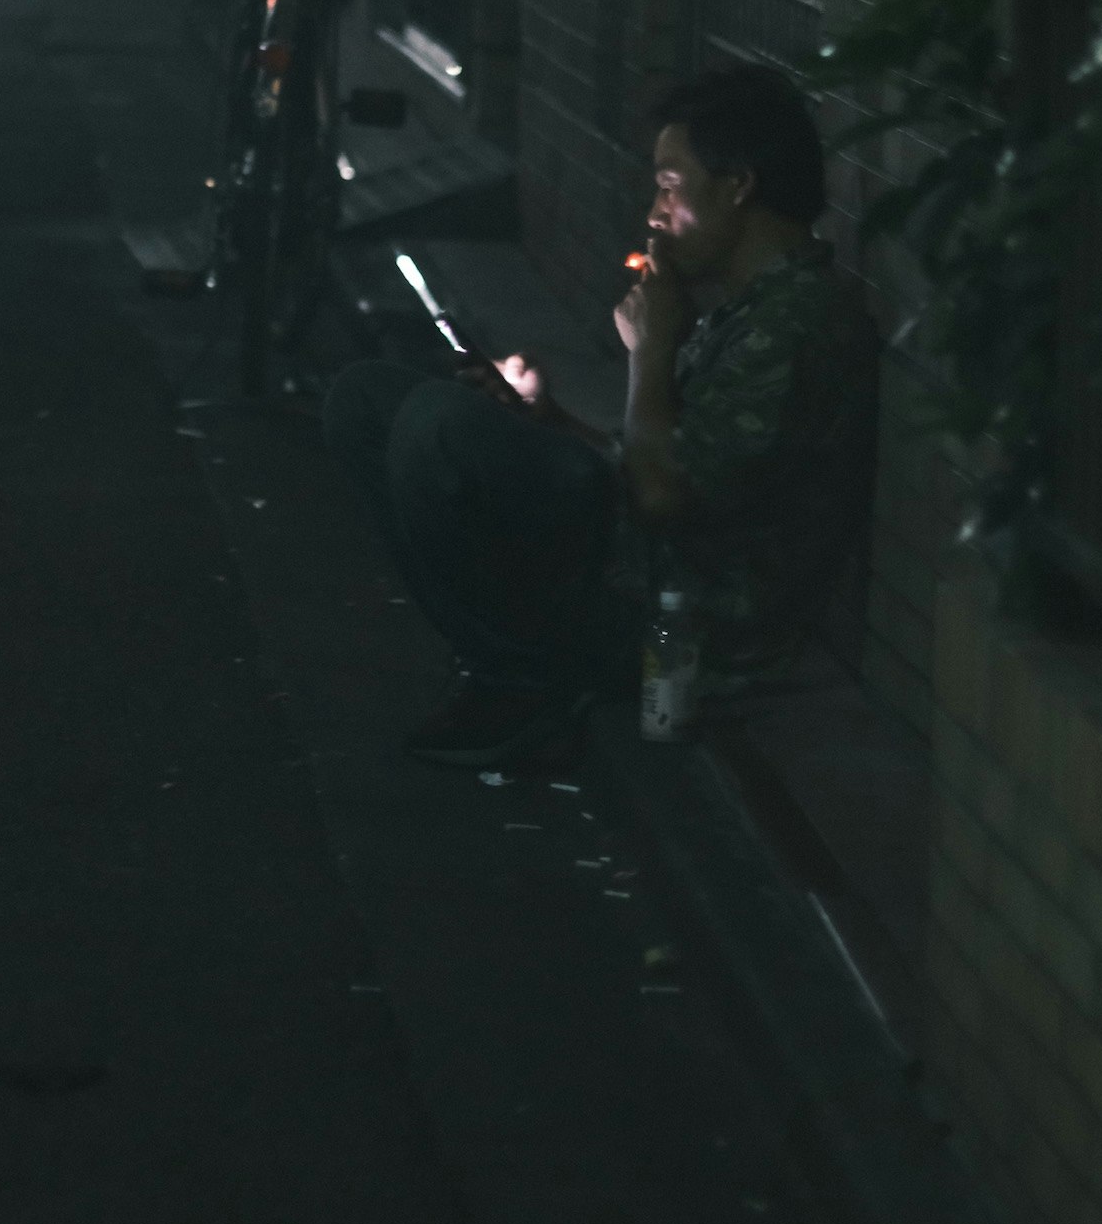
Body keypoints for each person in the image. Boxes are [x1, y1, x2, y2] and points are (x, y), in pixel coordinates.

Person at [323, 65, 881, 768]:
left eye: (670, 189)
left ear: (738, 186)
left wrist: (651, 352)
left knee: (437, 423)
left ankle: (524, 677)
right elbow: (649, 462)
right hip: (636, 563)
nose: (652, 214)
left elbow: (660, 496)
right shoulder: (749, 307)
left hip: (682, 625)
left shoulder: (798, 325)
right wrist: (548, 419)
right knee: (367, 396)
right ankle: (505, 664)